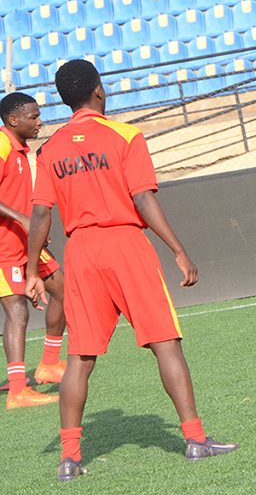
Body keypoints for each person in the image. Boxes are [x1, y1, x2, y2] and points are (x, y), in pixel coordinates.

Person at [23, 60, 238, 481]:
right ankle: (195, 439)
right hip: (125, 245)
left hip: (81, 252)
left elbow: (40, 213)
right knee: (165, 343)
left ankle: (69, 459)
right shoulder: (125, 135)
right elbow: (142, 200)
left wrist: (32, 270)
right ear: (99, 91)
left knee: (79, 360)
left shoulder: (50, 149)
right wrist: (178, 249)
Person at [0, 92, 67, 409]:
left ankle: (49, 364)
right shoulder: (1, 145)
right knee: (17, 311)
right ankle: (17, 391)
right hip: (4, 248)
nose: (40, 121)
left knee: (65, 290)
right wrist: (23, 218)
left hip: (27, 244)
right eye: (34, 116)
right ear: (14, 120)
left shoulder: (21, 150)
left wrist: (33, 228)